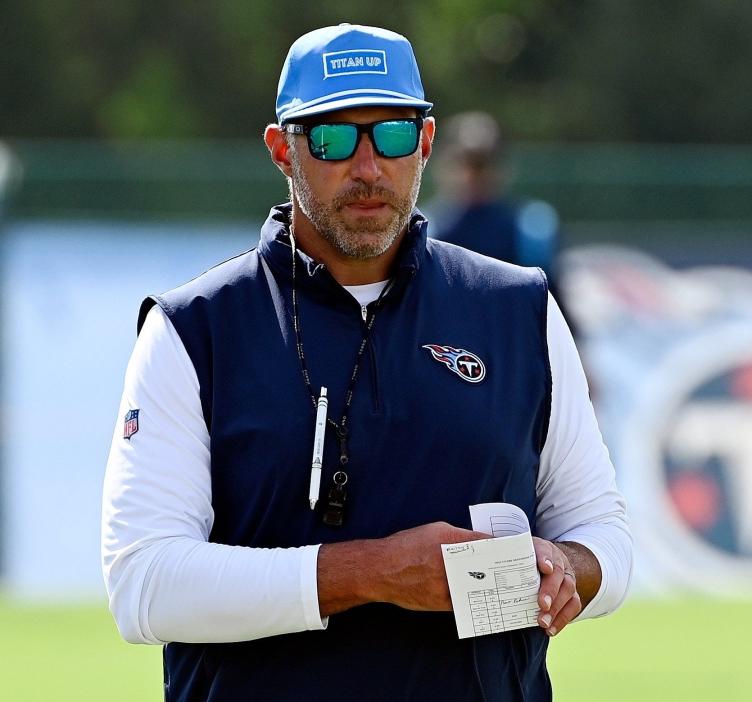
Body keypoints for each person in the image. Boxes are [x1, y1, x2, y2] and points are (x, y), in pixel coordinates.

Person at [101, 24, 631, 701]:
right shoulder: (192, 328)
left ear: (427, 144)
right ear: (280, 150)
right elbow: (143, 586)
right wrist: (374, 573)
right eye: (332, 138)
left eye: (392, 134)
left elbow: (604, 536)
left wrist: (564, 566)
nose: (368, 166)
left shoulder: (518, 308)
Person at [426, 111, 560, 283]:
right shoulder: (425, 229)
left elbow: (548, 295)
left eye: (482, 164)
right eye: (463, 162)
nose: (472, 174)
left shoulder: (529, 227)